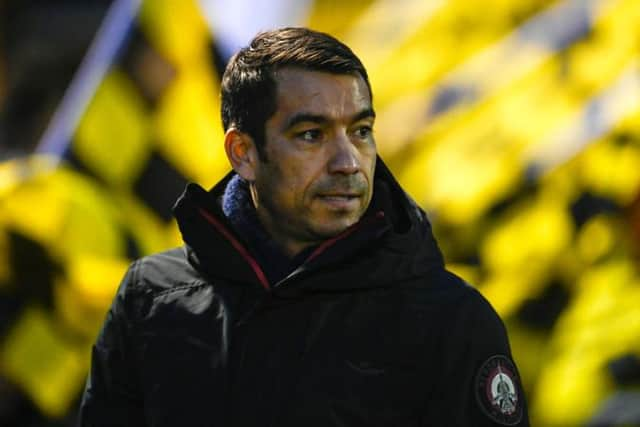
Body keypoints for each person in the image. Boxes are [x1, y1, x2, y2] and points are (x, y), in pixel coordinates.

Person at [78, 27, 529, 426]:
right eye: (312, 135)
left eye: (361, 131)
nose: (348, 162)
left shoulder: (452, 320)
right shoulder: (148, 300)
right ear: (243, 153)